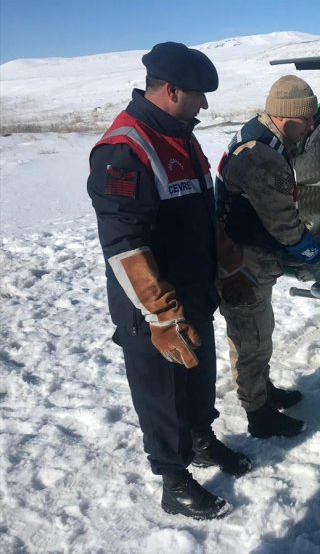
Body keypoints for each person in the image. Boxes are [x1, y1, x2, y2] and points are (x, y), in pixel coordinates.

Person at [87, 41, 252, 520]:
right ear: (172, 89)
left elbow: (205, 214)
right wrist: (161, 313)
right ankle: (173, 479)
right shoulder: (124, 150)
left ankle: (201, 439)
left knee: (198, 378)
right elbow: (125, 244)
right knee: (161, 391)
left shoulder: (182, 136)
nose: (205, 104)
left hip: (194, 293)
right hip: (152, 306)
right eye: (199, 94)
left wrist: (231, 267)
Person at [214, 75, 320, 439]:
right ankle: (258, 414)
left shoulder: (263, 136)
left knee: (259, 335)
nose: (313, 126)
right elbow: (284, 226)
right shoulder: (261, 157)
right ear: (287, 119)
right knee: (250, 341)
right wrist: (316, 260)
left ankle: (263, 391)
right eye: (307, 120)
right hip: (241, 265)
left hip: (250, 256)